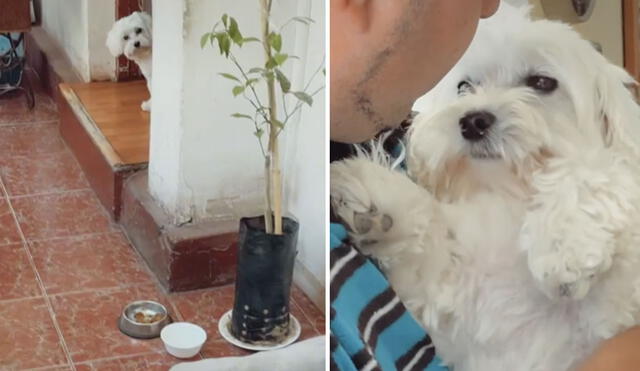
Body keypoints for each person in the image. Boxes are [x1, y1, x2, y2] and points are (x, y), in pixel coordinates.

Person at [329, 0, 640, 370]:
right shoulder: (443, 199)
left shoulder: (604, 194)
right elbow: (434, 300)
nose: (479, 113)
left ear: (608, 117)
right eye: (467, 87)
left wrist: (588, 195)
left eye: (540, 83)